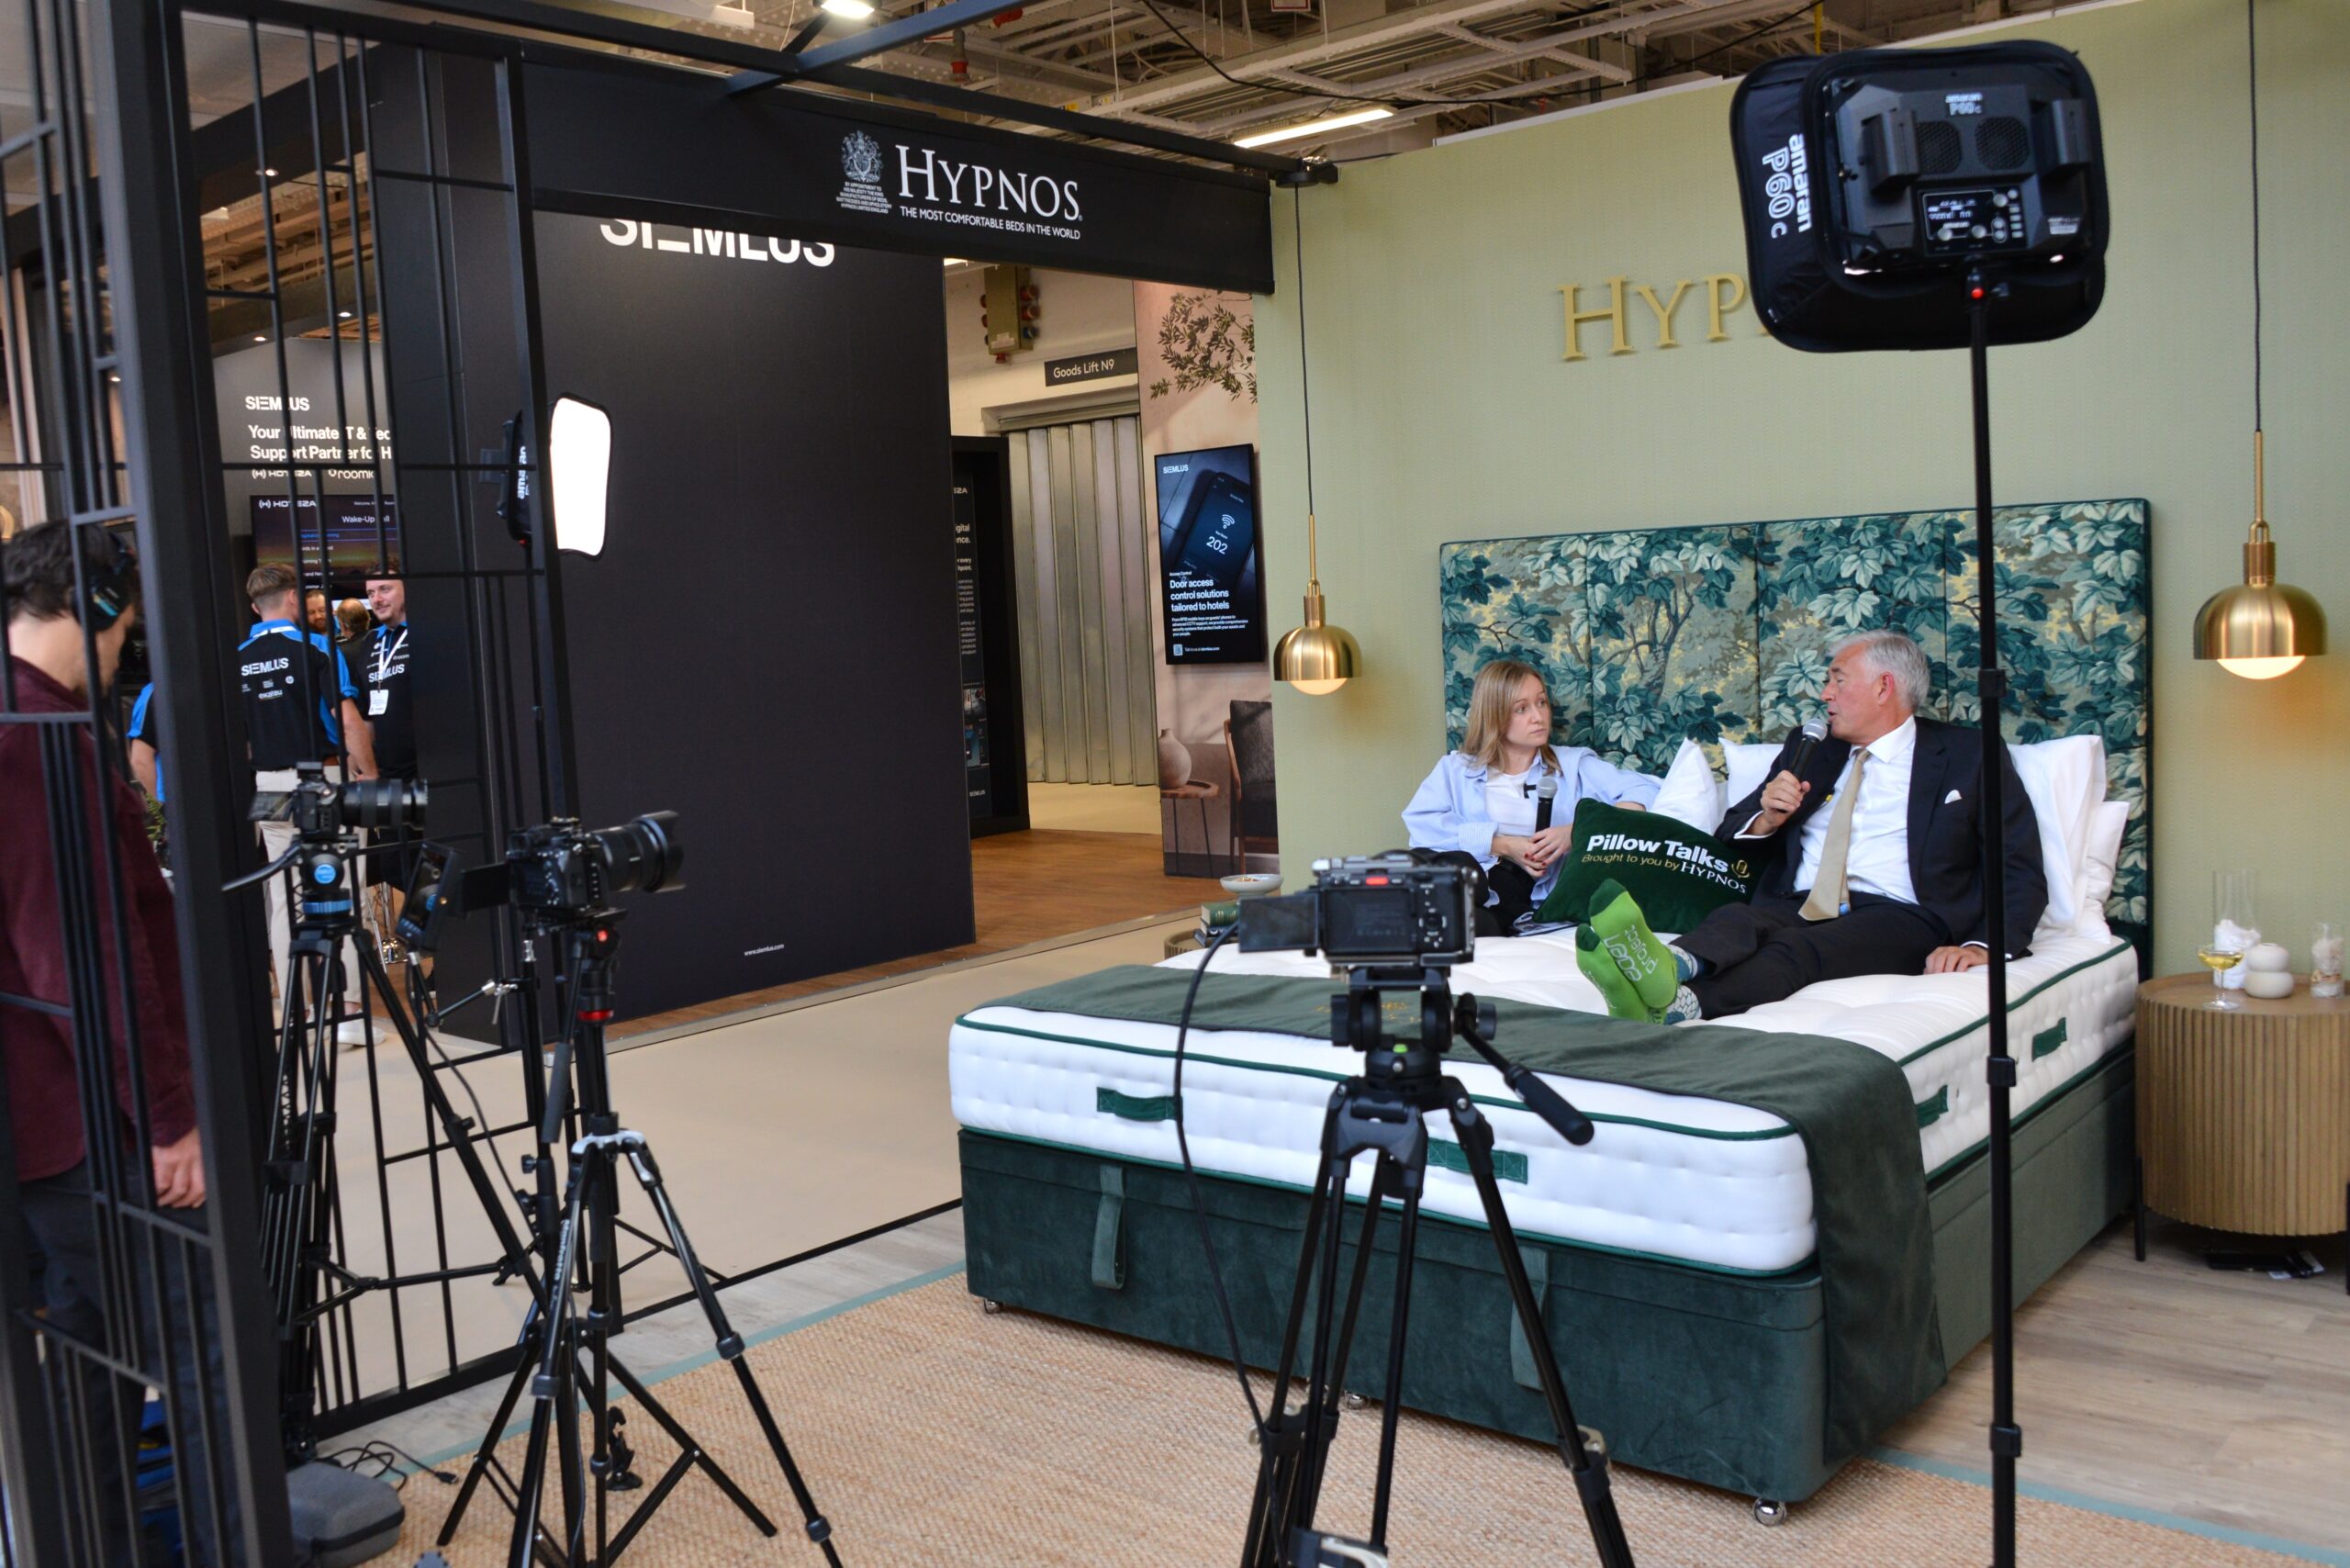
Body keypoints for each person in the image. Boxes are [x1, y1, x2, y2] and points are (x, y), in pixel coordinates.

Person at [2, 521, 232, 1564]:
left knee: (87, 1358)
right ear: (93, 612)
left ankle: (99, 1544)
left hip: (47, 1126)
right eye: (123, 627)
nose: (120, 650)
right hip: (96, 1125)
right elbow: (85, 954)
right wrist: (171, 1117)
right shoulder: (38, 738)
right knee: (197, 1349)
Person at [1574, 630, 2047, 1023]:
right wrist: (1768, 817)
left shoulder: (1967, 754)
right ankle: (1665, 965)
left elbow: (2017, 864)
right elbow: (1732, 831)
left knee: (1794, 950)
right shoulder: (1812, 747)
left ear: (1884, 687)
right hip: (1803, 900)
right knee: (1738, 919)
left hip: (1902, 914)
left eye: (1838, 680)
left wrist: (1985, 946)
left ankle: (1681, 1005)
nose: (1825, 694)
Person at [1404, 658, 1659, 935]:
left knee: (1472, 921)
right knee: (1437, 865)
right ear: (1494, 714)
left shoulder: (1574, 767)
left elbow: (1646, 791)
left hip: (1519, 896)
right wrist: (1501, 845)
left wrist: (1577, 832)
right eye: (1521, 709)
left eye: (1541, 703)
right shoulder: (1455, 770)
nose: (1538, 717)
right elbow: (1423, 826)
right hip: (1463, 879)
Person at [241, 563, 375, 999]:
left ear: (255, 606)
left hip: (268, 785)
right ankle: (347, 1007)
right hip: (322, 779)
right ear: (294, 598)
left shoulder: (238, 660)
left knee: (282, 896)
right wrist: (369, 775)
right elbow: (348, 721)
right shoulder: (316, 648)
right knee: (338, 888)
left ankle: (296, 1004)